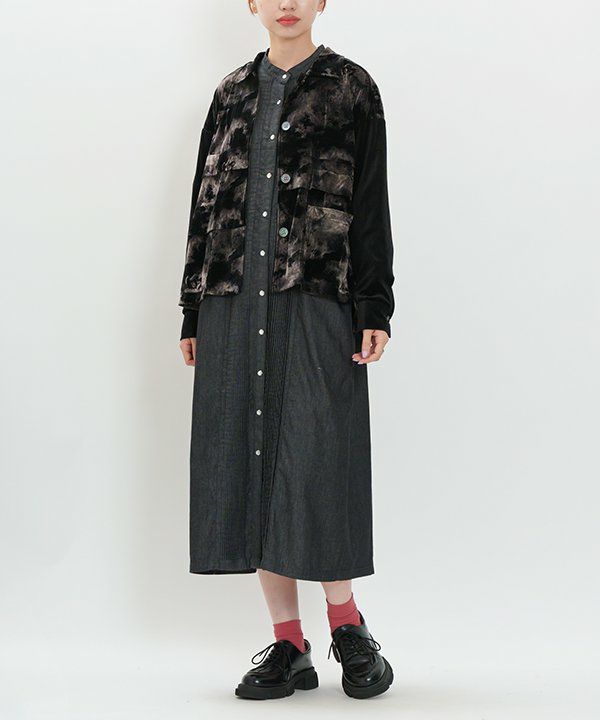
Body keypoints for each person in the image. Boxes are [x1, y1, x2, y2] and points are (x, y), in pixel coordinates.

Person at [178, 0, 395, 700]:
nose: (287, 3)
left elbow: (370, 201)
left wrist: (374, 303)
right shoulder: (231, 93)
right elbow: (205, 202)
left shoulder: (351, 87)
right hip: (233, 300)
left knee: (318, 458)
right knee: (253, 461)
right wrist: (192, 306)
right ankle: (288, 643)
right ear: (252, 3)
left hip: (318, 297)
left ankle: (347, 624)